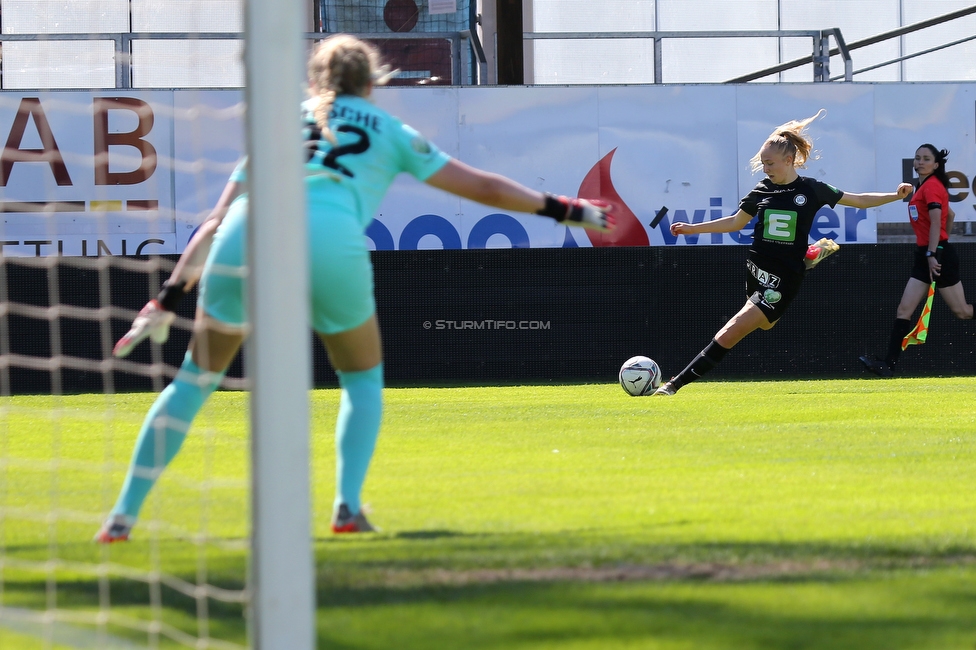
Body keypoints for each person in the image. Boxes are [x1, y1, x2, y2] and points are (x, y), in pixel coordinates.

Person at [95, 34, 613, 542]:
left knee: (192, 383)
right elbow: (484, 187)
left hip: (245, 235)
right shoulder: (389, 129)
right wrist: (569, 210)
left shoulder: (281, 124)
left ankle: (122, 516)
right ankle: (346, 506)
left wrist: (164, 301)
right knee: (361, 381)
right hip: (328, 239)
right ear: (373, 82)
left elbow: (213, 222)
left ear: (317, 79)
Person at [652, 110, 913, 397]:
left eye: (770, 163)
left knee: (729, 332)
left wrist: (895, 195)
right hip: (755, 271)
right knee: (766, 325)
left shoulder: (812, 189)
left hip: (782, 279)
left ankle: (672, 386)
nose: (765, 168)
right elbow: (735, 223)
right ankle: (809, 255)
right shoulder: (762, 190)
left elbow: (859, 200)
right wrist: (691, 229)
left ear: (789, 161)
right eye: (763, 163)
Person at [859, 144, 972, 378]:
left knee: (962, 311)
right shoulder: (923, 186)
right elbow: (948, 216)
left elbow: (936, 220)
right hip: (927, 254)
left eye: (926, 159)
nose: (920, 162)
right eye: (918, 158)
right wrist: (938, 244)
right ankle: (887, 365)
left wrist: (935, 252)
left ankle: (888, 363)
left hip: (935, 256)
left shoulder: (931, 186)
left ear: (936, 165)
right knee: (904, 309)